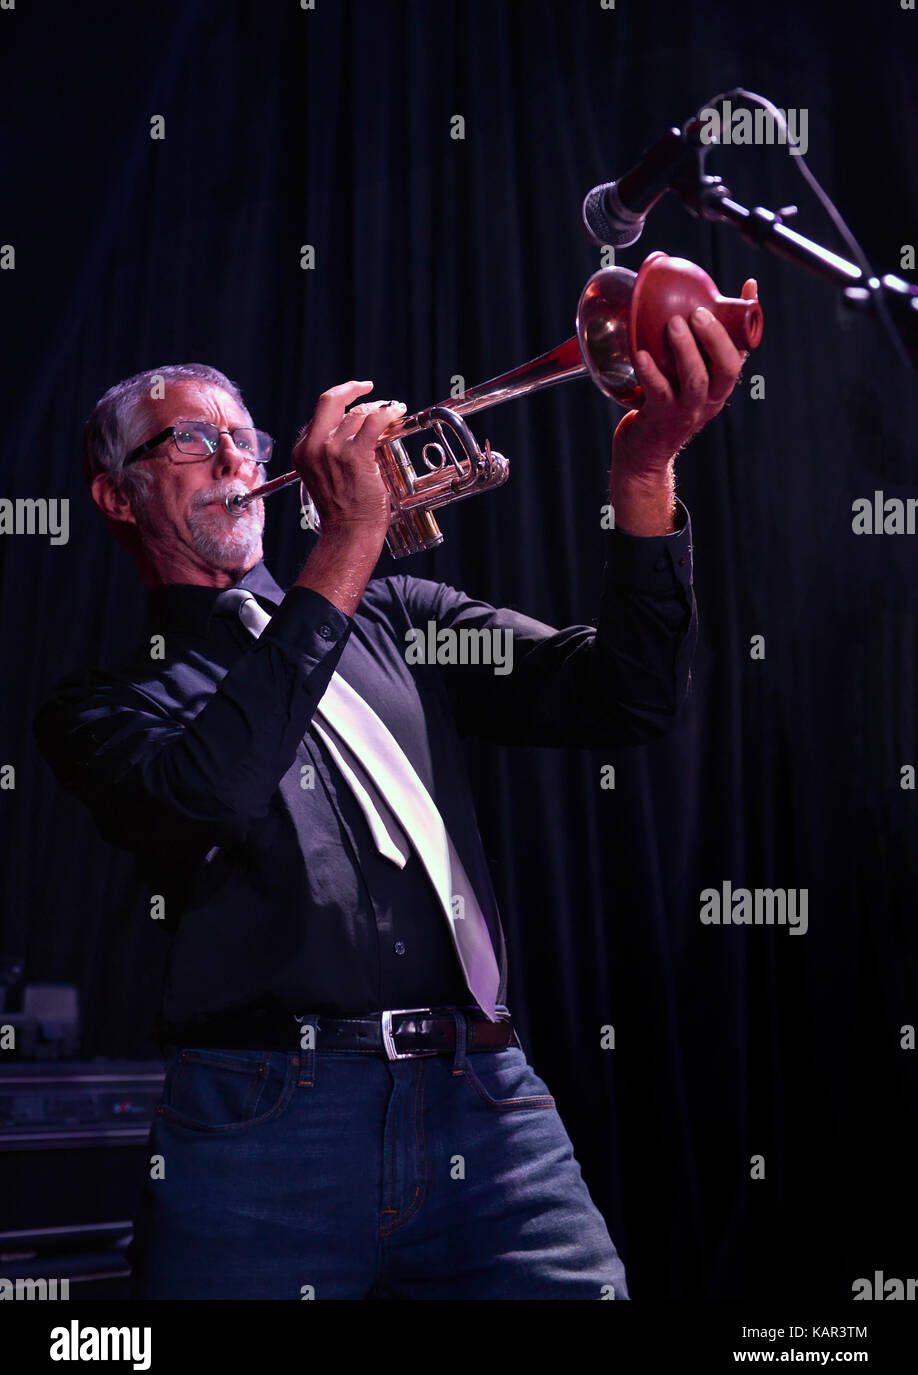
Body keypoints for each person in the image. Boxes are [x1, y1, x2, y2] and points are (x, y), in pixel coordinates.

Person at [34, 285, 754, 1299]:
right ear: (117, 496)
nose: (241, 459)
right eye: (189, 441)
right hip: (258, 1130)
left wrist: (644, 468)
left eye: (247, 436)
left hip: (490, 1107)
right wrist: (346, 545)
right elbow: (204, 798)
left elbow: (628, 697)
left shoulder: (401, 616)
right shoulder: (105, 699)